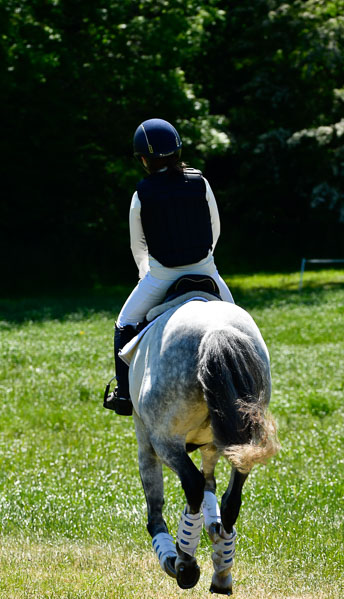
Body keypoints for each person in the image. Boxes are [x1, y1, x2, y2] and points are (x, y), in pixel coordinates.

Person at [104, 118, 235, 416]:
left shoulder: (142, 193)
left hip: (162, 276)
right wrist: (204, 261)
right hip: (207, 271)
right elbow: (215, 229)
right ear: (177, 151)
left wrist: (146, 276)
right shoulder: (200, 182)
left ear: (143, 159)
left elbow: (138, 246)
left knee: (125, 323)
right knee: (238, 325)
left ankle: (124, 396)